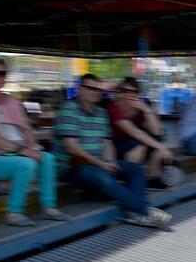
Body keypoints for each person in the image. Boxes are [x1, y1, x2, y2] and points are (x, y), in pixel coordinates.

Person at [0, 57, 69, 226]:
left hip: (10, 153)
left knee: (48, 158)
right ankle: (14, 212)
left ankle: (49, 208)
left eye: (2, 73)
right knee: (25, 164)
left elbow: (26, 128)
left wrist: (33, 147)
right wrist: (24, 151)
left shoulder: (11, 101)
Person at [53, 73, 170, 228]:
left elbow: (107, 143)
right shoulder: (69, 109)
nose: (95, 92)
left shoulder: (101, 112)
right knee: (101, 175)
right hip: (71, 166)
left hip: (97, 162)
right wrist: (101, 164)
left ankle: (133, 213)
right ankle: (144, 210)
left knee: (135, 169)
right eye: (90, 88)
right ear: (80, 89)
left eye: (98, 89)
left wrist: (110, 161)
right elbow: (72, 148)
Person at [108, 76, 174, 184]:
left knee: (158, 140)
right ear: (119, 92)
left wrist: (146, 109)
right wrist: (160, 146)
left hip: (132, 142)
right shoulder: (114, 107)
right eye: (125, 91)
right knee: (142, 144)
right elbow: (133, 131)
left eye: (133, 92)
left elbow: (156, 131)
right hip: (114, 147)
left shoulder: (138, 109)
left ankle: (152, 177)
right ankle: (128, 177)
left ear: (137, 94)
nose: (128, 95)